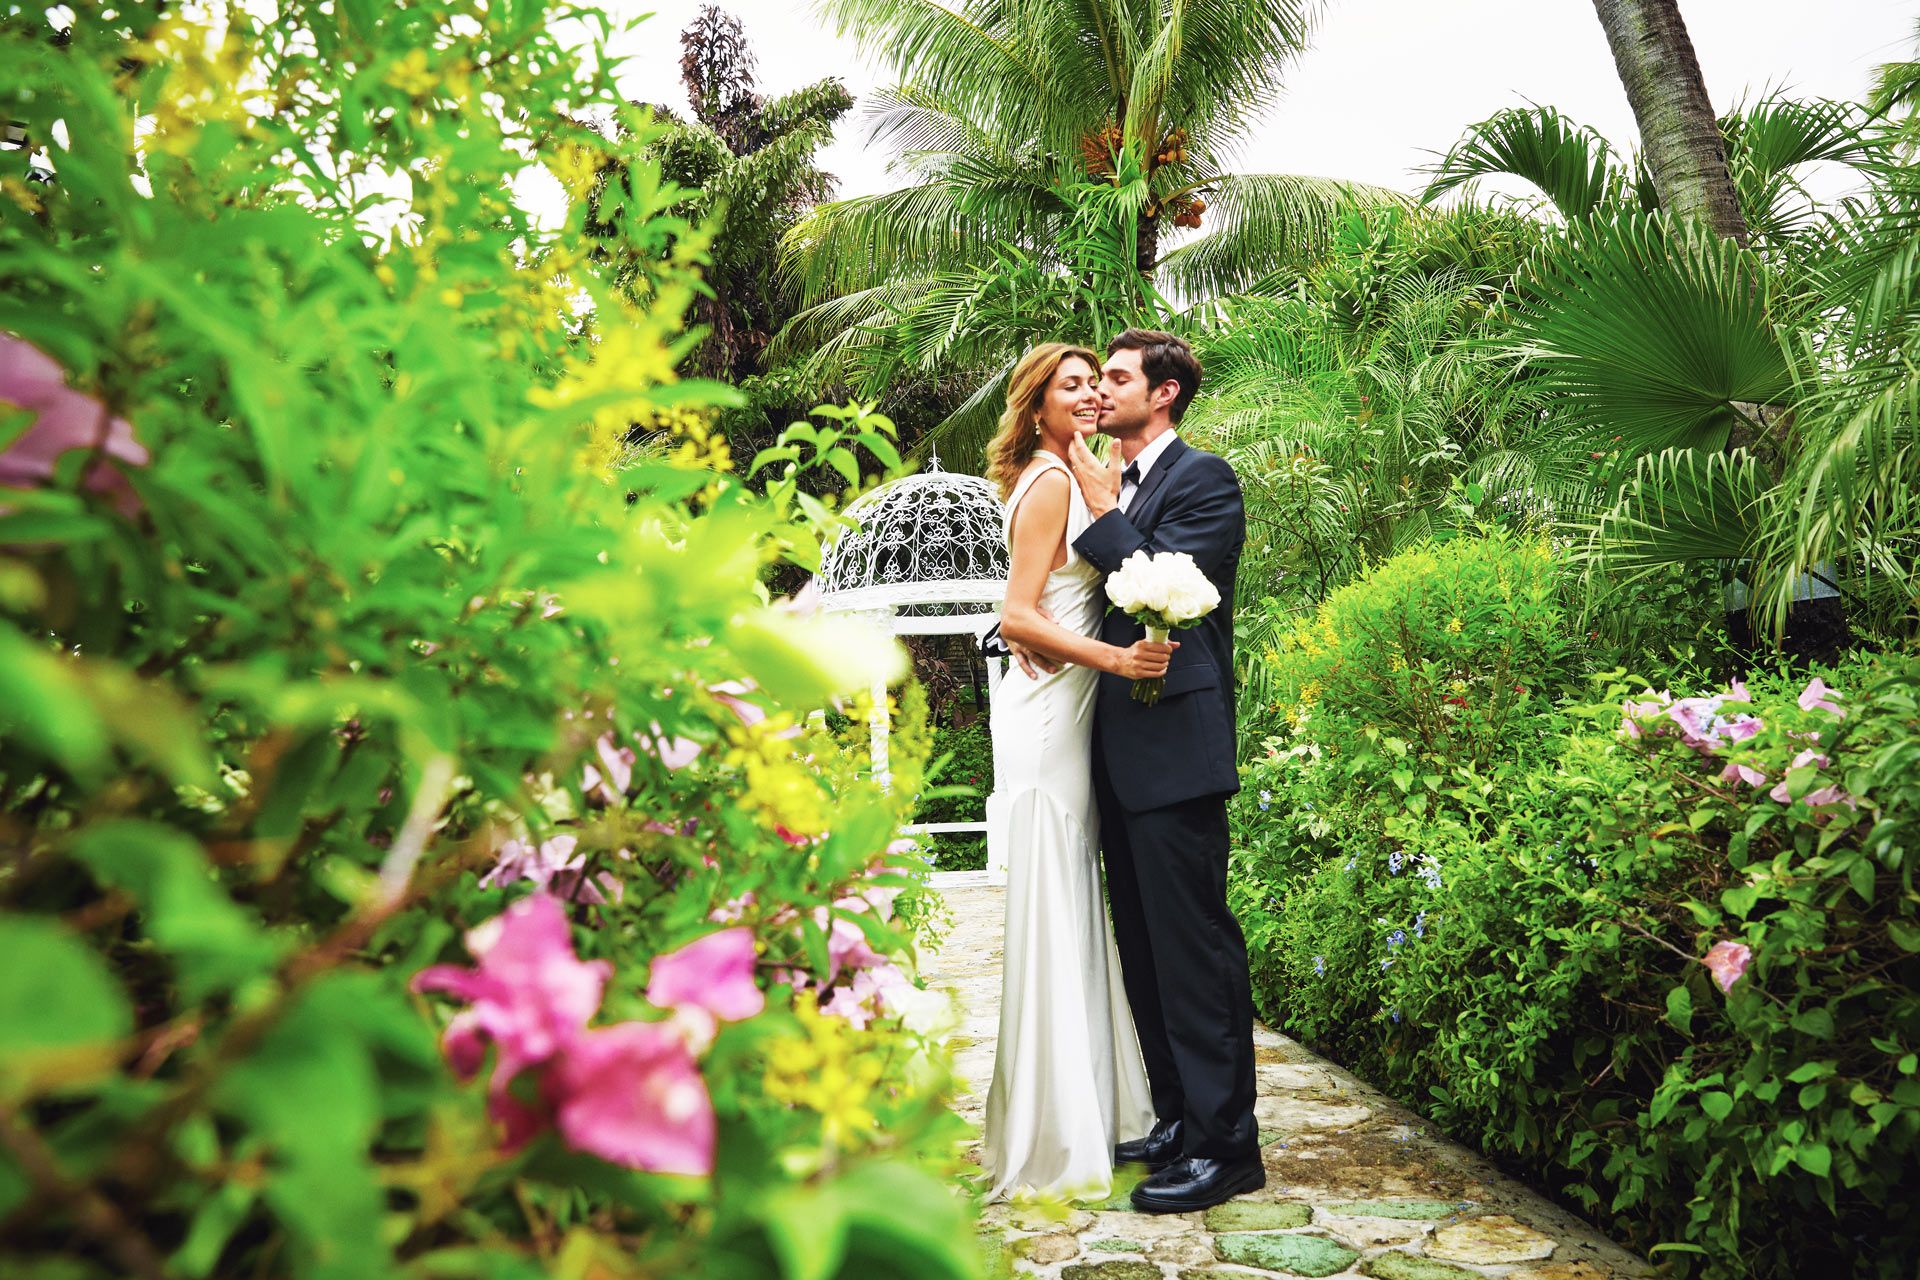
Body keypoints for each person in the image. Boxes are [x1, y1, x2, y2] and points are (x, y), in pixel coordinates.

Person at [1007, 328, 1262, 1214]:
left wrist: (1102, 505)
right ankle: (1179, 1121)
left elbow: (1167, 584)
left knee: (1194, 950)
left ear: (1164, 395)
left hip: (1179, 751)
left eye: (1115, 378)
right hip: (1110, 749)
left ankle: (1228, 1148)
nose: (1097, 392)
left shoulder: (1205, 480)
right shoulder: (1097, 482)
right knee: (1145, 954)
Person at [978, 342, 1171, 1203]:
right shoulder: (1051, 481)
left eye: (1099, 382)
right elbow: (1019, 612)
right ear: (1038, 403)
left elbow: (1026, 609)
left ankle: (1085, 1109)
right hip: (1053, 709)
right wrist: (1117, 660)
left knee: (1067, 896)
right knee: (1058, 893)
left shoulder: (1063, 472)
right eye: (1073, 385)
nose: (1091, 394)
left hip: (1063, 699)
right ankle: (1057, 1131)